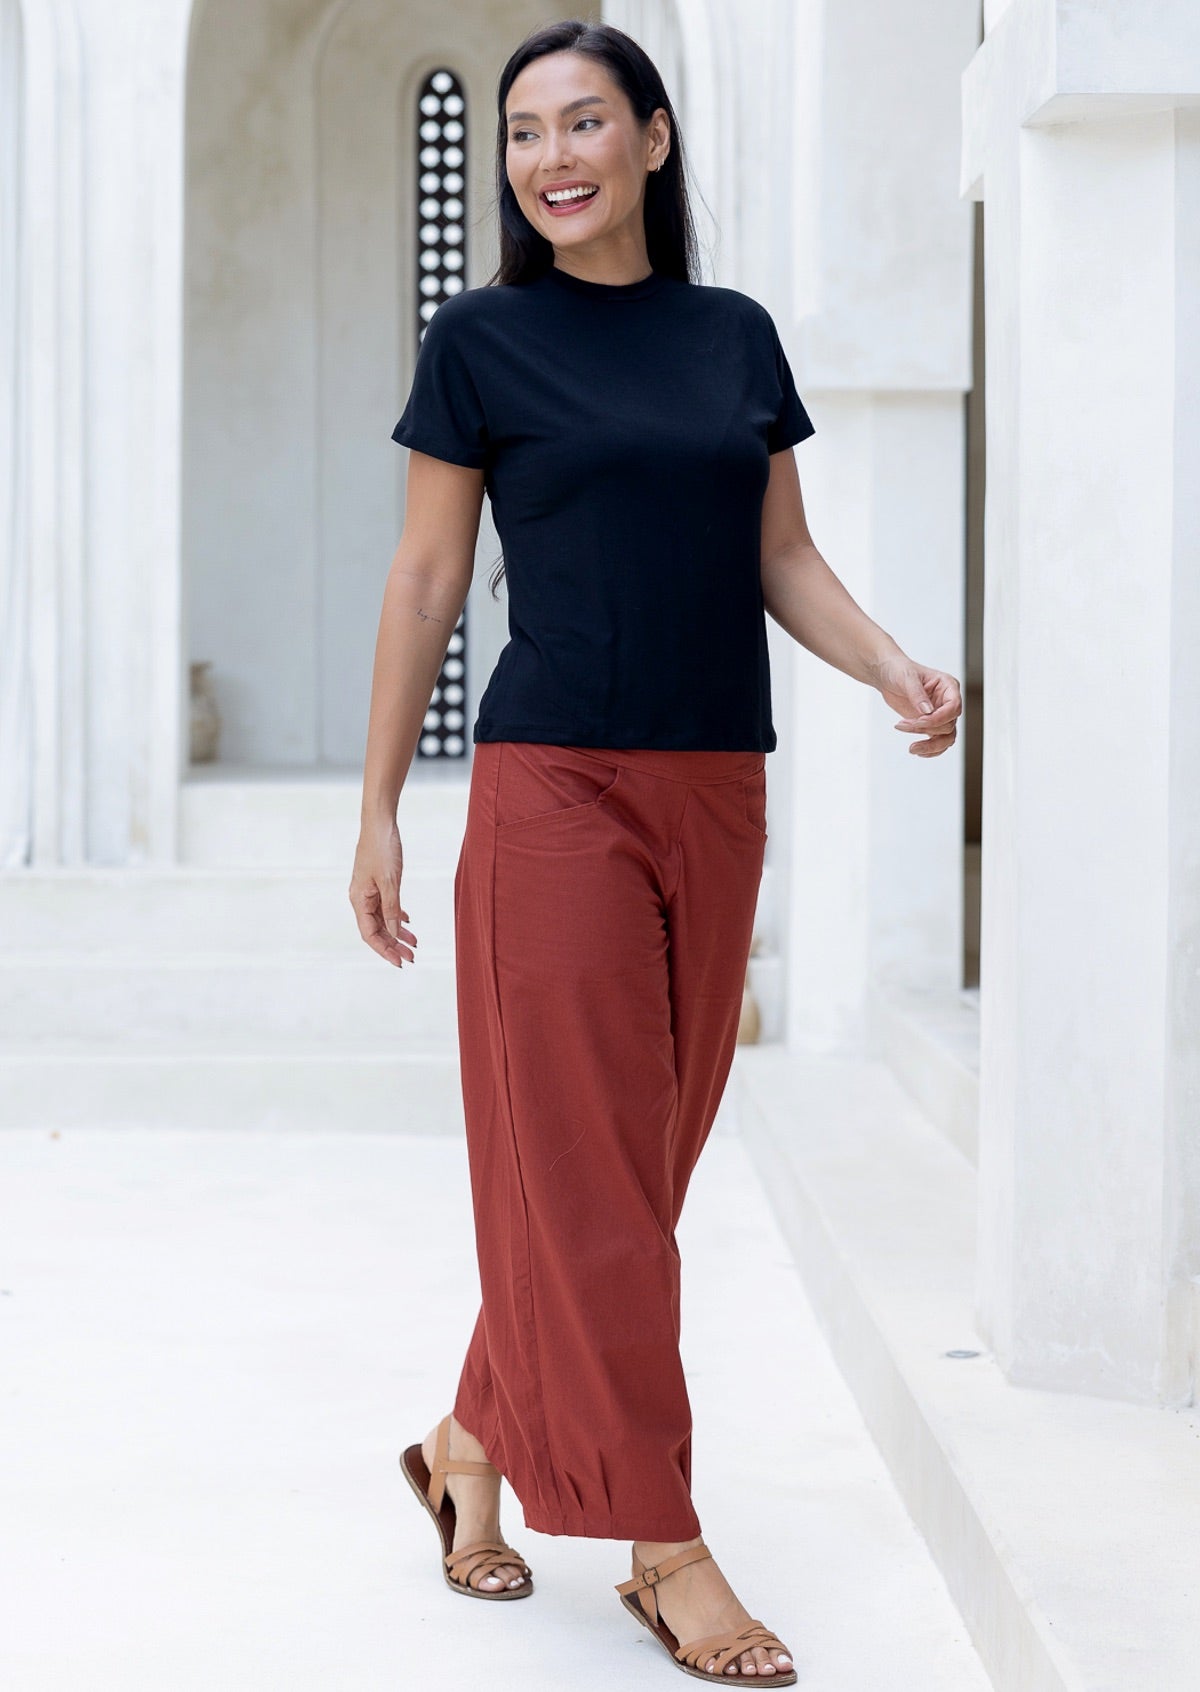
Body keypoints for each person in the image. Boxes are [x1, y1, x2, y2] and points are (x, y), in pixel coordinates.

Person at [350, 18, 962, 1684]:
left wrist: (897, 662)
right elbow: (422, 582)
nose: (552, 158)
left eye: (584, 124)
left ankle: (468, 1443)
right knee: (600, 1186)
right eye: (526, 133)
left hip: (717, 789)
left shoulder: (731, 338)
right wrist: (382, 803)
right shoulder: (479, 342)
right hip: (552, 789)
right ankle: (665, 1545)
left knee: (623, 1180)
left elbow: (786, 554)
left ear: (653, 139)